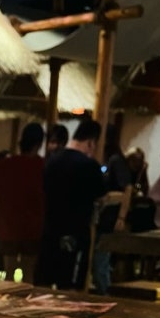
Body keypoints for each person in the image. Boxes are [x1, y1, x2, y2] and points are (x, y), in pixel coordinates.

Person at [35, 117, 104, 290]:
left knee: (44, 284)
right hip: (75, 233)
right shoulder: (89, 166)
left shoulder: (52, 161)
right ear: (91, 142)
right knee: (70, 289)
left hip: (50, 230)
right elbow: (101, 193)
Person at [0, 121, 45, 283]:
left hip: (8, 226)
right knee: (28, 274)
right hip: (33, 227)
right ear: (38, 144)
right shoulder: (42, 166)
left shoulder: (6, 165)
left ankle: (9, 299)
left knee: (9, 274)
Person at [93, 125, 135, 294]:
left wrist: (121, 217)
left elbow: (128, 189)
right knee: (101, 259)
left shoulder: (115, 160)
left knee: (101, 259)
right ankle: (104, 291)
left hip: (109, 217)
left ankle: (105, 293)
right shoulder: (111, 159)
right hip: (106, 216)